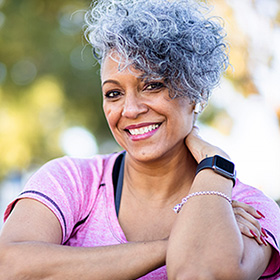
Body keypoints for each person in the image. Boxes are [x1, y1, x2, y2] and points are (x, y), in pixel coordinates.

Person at [0, 0, 280, 279]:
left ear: (196, 94)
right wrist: (171, 245)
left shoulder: (252, 211)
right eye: (113, 93)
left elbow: (202, 271)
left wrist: (216, 166)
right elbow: (10, 267)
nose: (130, 109)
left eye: (152, 85)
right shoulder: (72, 181)